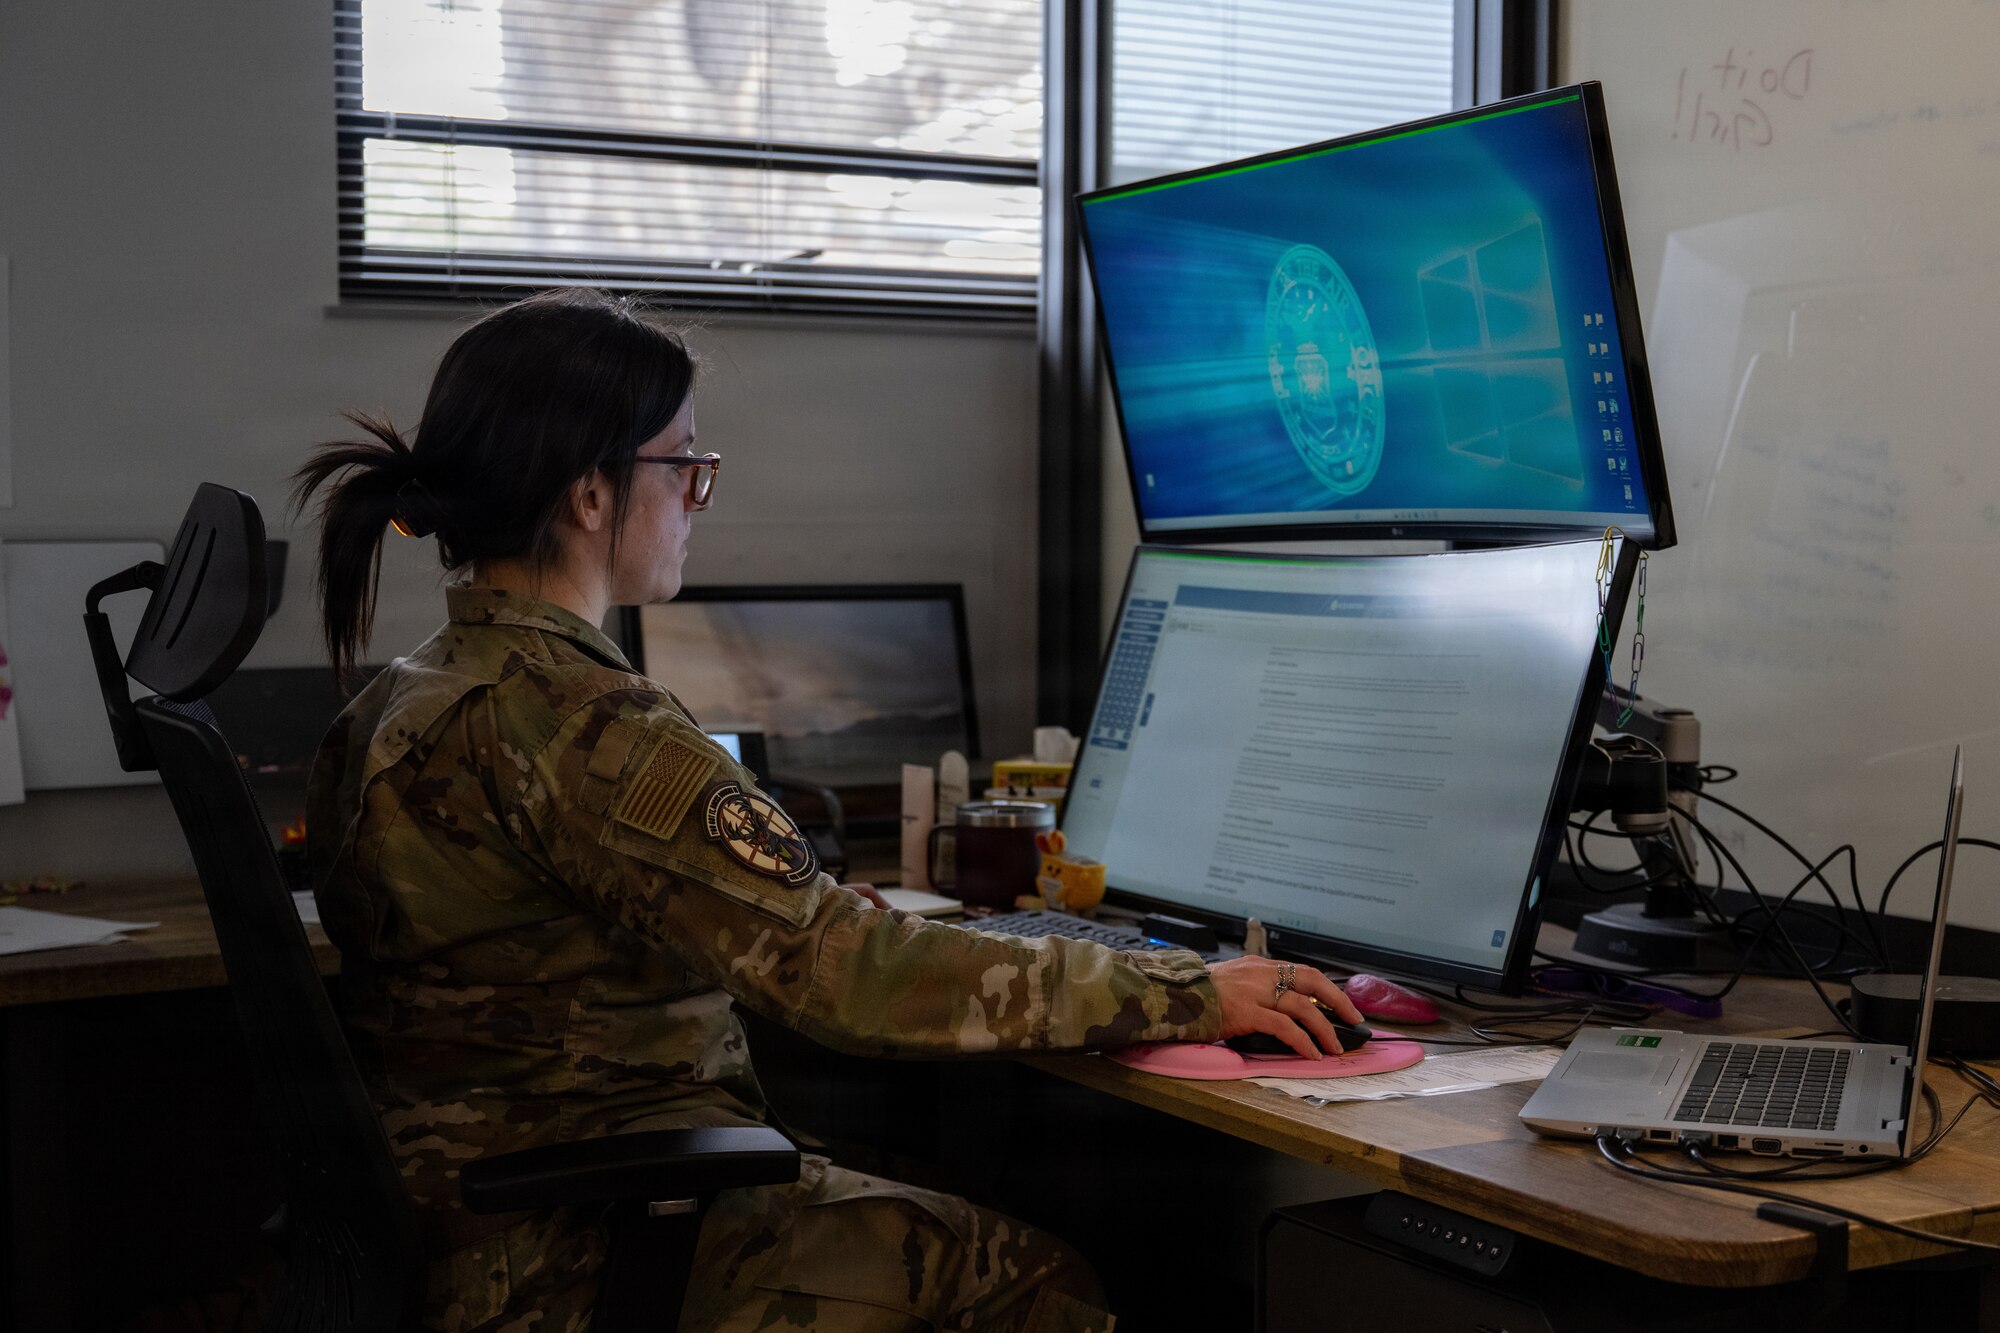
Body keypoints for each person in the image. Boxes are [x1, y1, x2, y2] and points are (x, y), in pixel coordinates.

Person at [294, 287, 1364, 1333]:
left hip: (466, 1225)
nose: (697, 499)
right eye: (685, 468)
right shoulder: (589, 722)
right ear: (588, 493)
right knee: (1048, 1280)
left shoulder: (403, 694)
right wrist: (1190, 990)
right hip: (577, 1250)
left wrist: (777, 905)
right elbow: (852, 976)